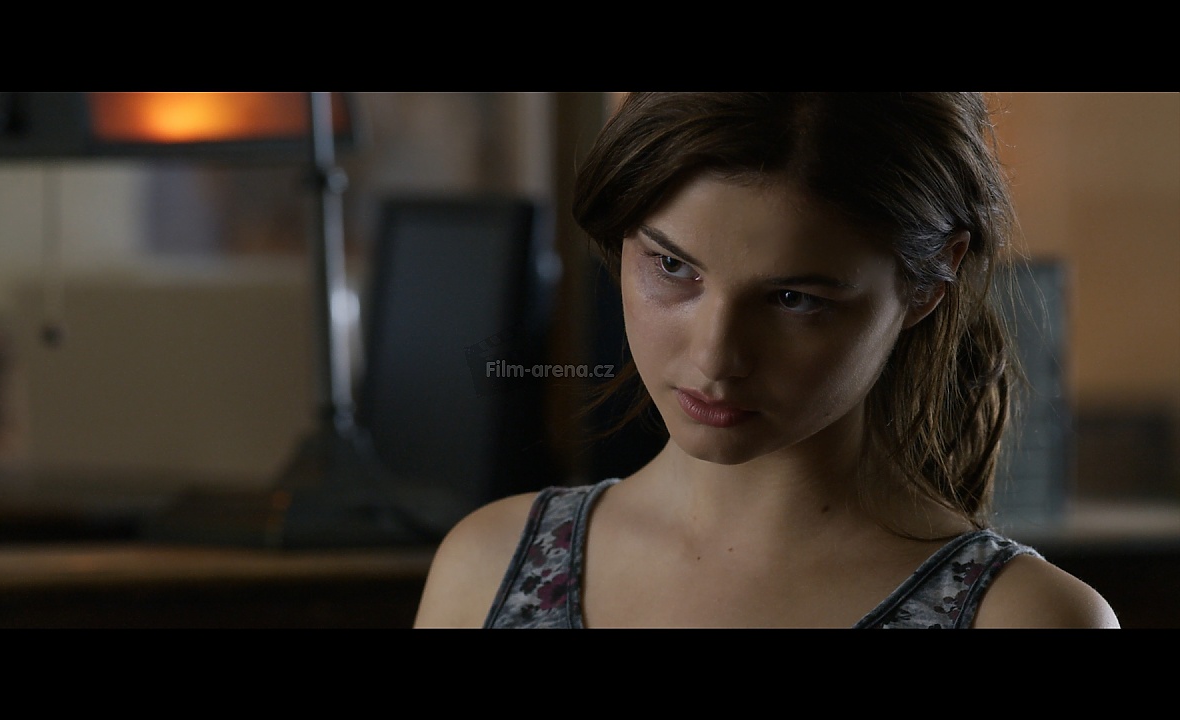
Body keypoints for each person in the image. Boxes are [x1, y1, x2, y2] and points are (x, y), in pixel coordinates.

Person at [413, 92, 1119, 628]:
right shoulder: (489, 567)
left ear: (930, 282)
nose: (715, 356)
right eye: (672, 266)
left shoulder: (1022, 617)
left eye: (793, 298)